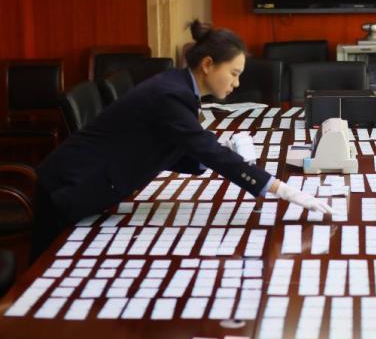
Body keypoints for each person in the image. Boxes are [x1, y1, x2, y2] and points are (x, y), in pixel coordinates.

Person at [31, 20, 331, 261]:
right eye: (234, 73)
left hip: (85, 180)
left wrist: (213, 151)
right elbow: (206, 150)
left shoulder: (177, 87)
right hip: (70, 185)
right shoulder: (170, 94)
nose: (237, 83)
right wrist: (279, 188)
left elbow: (174, 146)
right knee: (41, 278)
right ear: (208, 64)